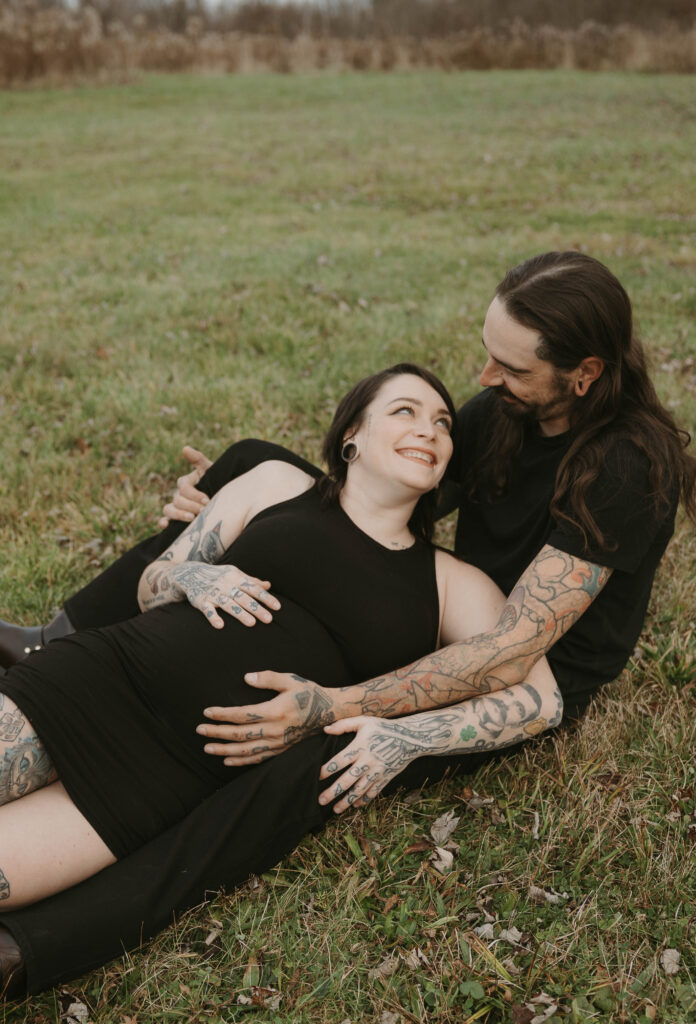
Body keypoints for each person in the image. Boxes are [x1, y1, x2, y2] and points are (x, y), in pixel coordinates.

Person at [0, 251, 696, 998]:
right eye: (487, 358)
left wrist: (344, 708)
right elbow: (388, 494)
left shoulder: (624, 466)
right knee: (254, 461)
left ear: (583, 374)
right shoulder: (501, 413)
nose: (485, 380)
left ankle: (34, 946)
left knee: (314, 767)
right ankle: (58, 637)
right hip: (390, 618)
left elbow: (511, 654)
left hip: (531, 651)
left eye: (510, 368)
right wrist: (223, 502)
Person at [0, 363, 563, 998]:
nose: (429, 430)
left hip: (162, 782)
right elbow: (152, 578)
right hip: (96, 686)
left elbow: (540, 701)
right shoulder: (277, 483)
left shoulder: (452, 583)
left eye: (442, 423)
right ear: (353, 433)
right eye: (405, 411)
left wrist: (407, 738)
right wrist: (191, 576)